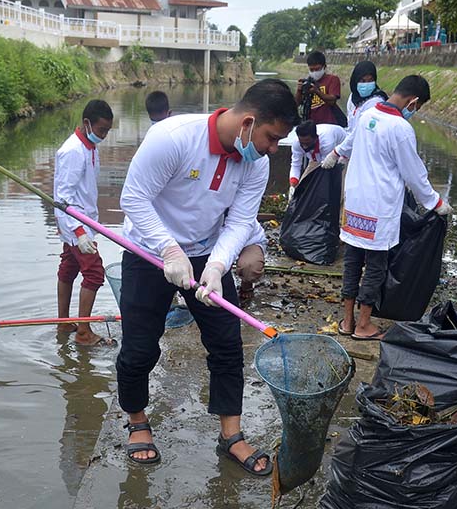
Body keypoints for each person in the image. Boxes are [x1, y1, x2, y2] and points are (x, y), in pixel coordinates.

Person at [116, 80, 299, 471]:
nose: (271, 148)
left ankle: (230, 435)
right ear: (248, 121)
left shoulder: (256, 162)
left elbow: (240, 222)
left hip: (205, 253)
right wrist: (168, 248)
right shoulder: (173, 138)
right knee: (139, 348)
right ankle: (137, 422)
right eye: (271, 137)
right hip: (149, 251)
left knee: (227, 345)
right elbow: (133, 198)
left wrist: (216, 267)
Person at [320, 75, 451, 340]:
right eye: (417, 107)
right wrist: (435, 203)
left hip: (355, 203)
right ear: (413, 101)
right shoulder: (400, 128)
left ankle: (347, 321)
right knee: (376, 265)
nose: (414, 112)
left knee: (352, 260)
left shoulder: (367, 113)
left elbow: (350, 141)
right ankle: (363, 325)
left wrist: (335, 154)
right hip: (378, 207)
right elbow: (414, 173)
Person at [54, 99, 114, 347]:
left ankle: (64, 322)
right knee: (94, 274)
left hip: (83, 224)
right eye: (101, 130)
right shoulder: (72, 151)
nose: (104, 135)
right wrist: (79, 232)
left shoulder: (89, 147)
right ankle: (83, 332)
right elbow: (63, 198)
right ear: (87, 123)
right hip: (76, 226)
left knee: (68, 269)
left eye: (107, 131)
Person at [289, 120, 348, 197]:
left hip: (341, 155)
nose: (304, 147)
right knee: (303, 187)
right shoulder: (296, 143)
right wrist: (293, 185)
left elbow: (325, 169)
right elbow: (296, 164)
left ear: (316, 138)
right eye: (302, 143)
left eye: (307, 143)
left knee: (337, 190)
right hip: (317, 157)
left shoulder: (327, 141)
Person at [295, 51, 342, 126]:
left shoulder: (332, 79)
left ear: (324, 67)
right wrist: (299, 91)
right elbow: (296, 104)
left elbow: (332, 101)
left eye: (317, 69)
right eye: (311, 70)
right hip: (311, 125)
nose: (314, 72)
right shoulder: (308, 82)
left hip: (329, 124)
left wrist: (317, 91)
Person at [345, 60, 388, 129]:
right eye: (363, 81)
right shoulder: (353, 97)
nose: (367, 84)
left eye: (370, 80)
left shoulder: (377, 101)